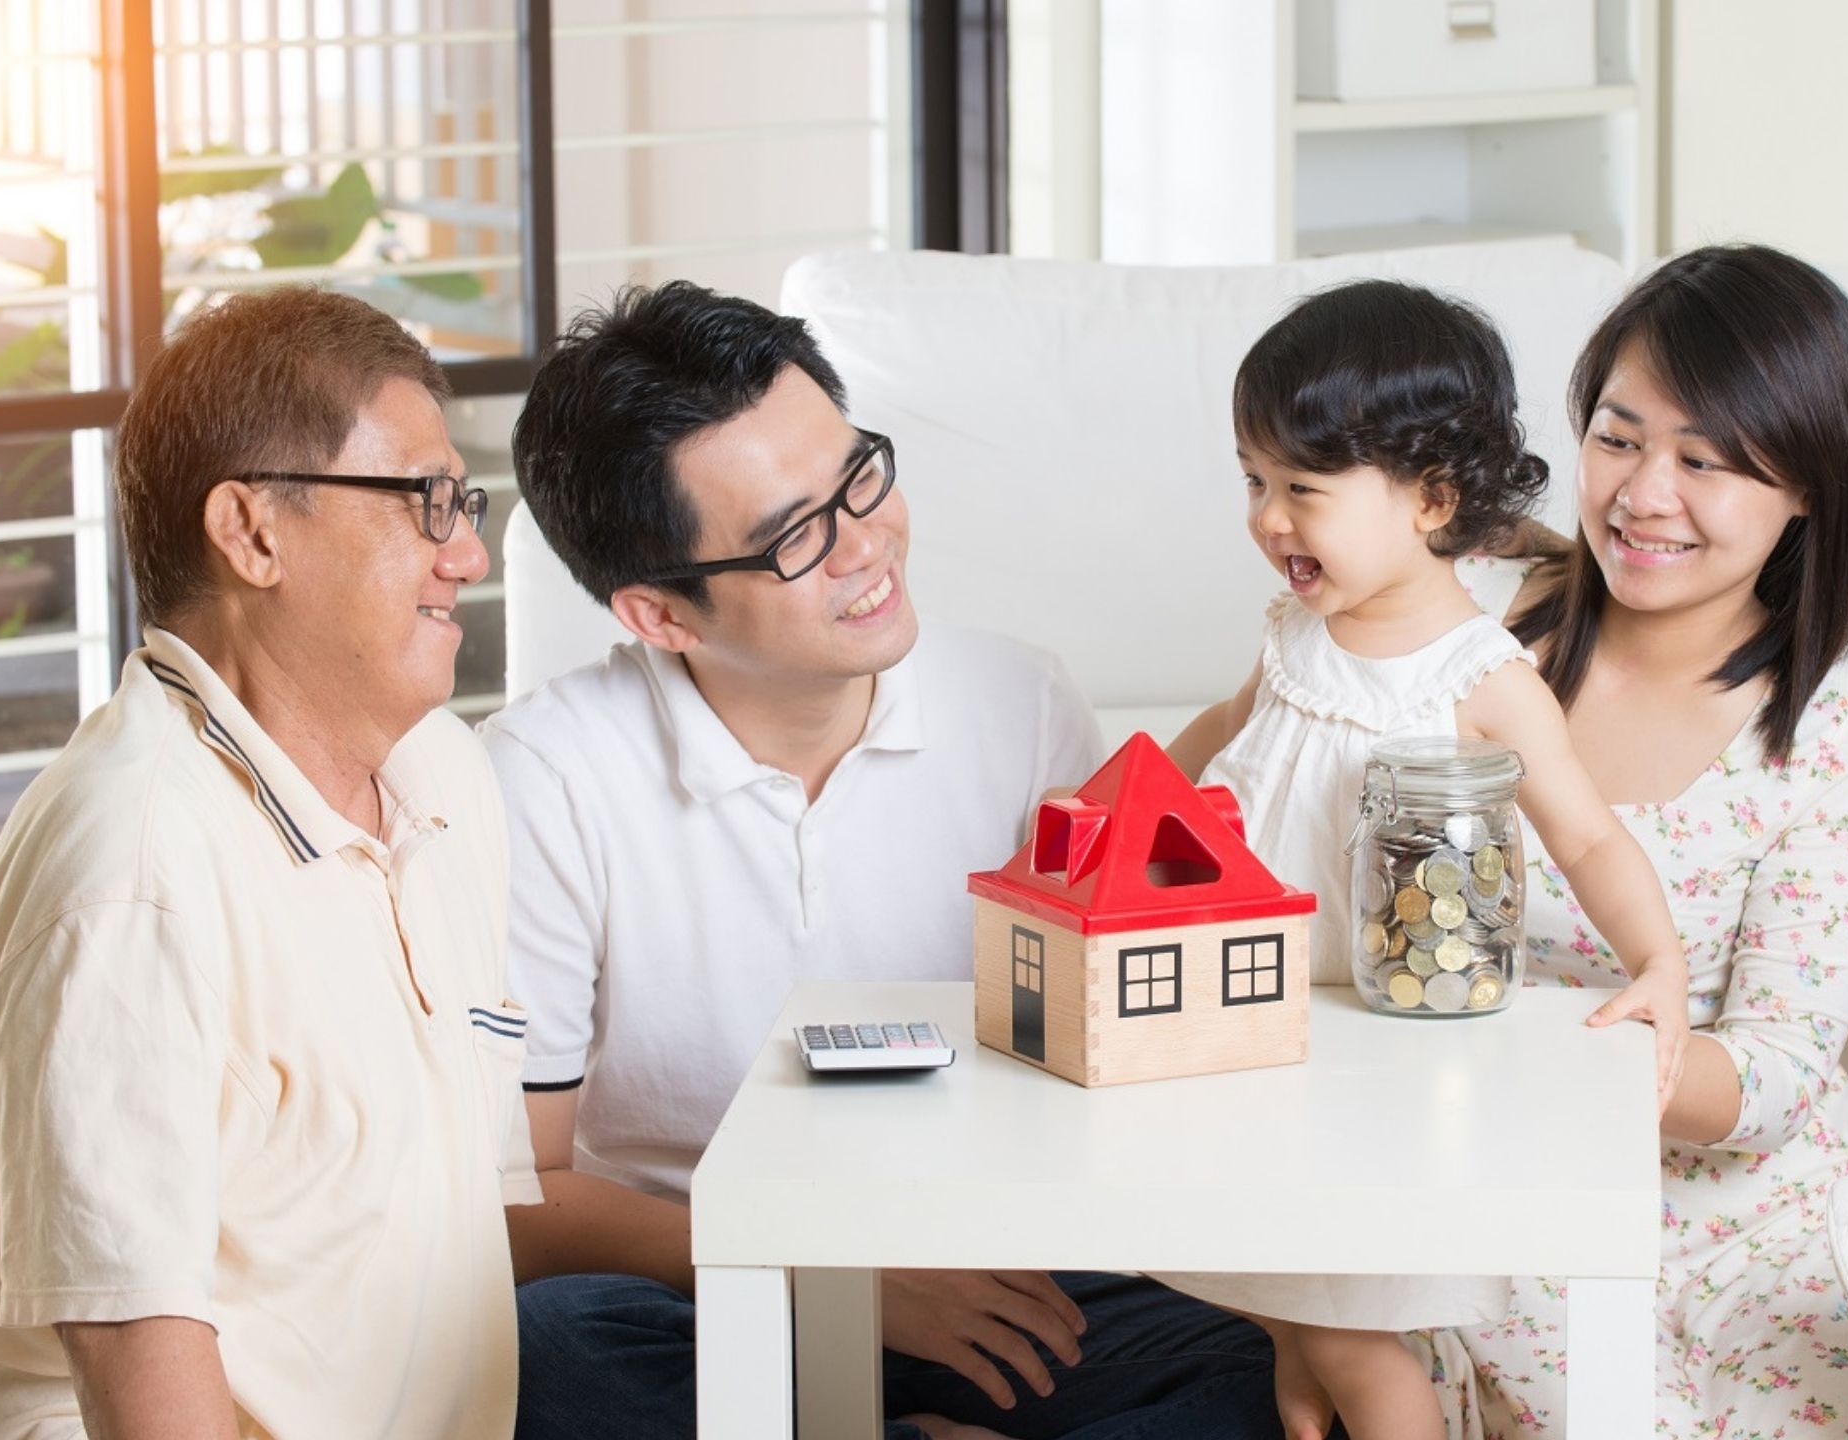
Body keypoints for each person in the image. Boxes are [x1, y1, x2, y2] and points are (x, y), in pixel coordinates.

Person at [488, 280, 1312, 1440]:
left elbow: (1110, 1063)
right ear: (661, 615)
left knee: (1252, 1371)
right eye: (792, 536)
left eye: (860, 476)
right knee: (546, 1349)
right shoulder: (544, 778)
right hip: (715, 1290)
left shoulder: (1018, 700)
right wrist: (827, 1270)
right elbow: (513, 1196)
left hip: (1004, 1280)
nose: (867, 545)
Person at [0, 287, 539, 1437]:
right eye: (427, 504)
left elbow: (466, 1218)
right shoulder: (131, 872)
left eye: (465, 503)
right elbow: (145, 1394)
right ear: (251, 532)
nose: (470, 553)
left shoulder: (442, 778)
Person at [1161, 279, 1690, 1440]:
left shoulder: (1476, 677)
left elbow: (1589, 832)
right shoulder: (1294, 631)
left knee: (1357, 1335)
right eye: (1253, 481)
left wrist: (1657, 963)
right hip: (1256, 1018)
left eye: (1303, 489)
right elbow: (1225, 729)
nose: (1267, 519)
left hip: (1388, 1046)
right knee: (1282, 1301)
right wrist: (1132, 796)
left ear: (1431, 500)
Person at [1417, 245, 1848, 1438]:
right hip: (1515, 1205)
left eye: (1706, 461)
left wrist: (1536, 1057)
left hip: (1768, 1220)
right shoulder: (1478, 648)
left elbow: (1778, 1075)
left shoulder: (1837, 734)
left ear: (1808, 490)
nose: (1643, 494)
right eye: (1619, 438)